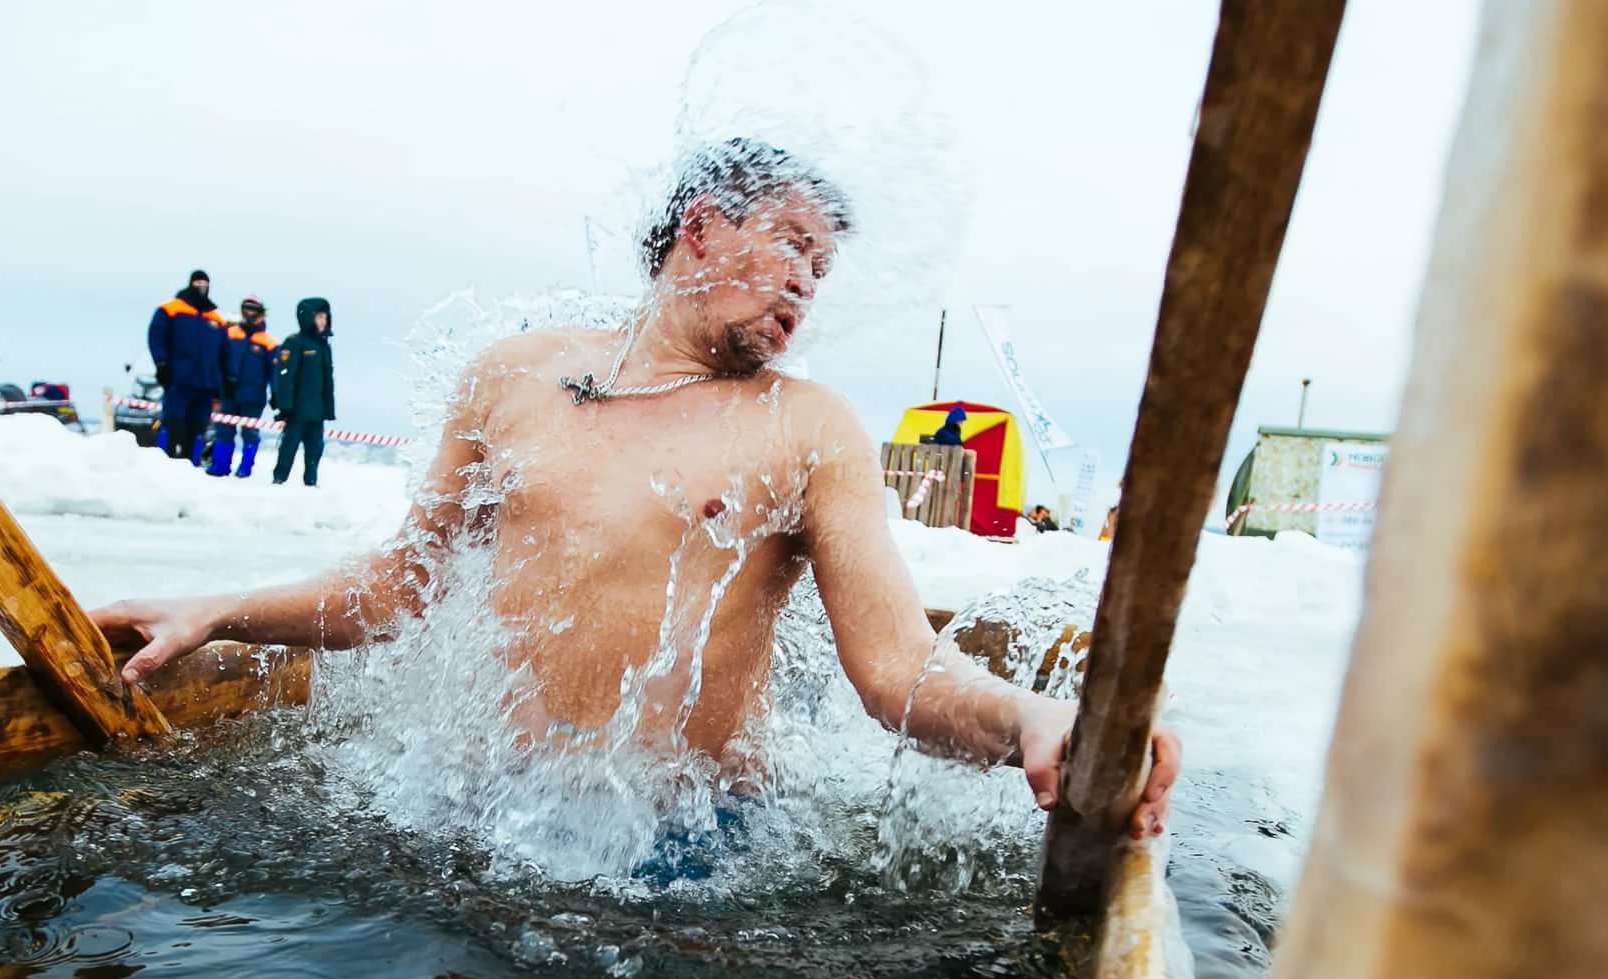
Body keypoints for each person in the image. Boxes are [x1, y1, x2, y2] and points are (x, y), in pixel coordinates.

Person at [94, 139, 1179, 847]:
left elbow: (897, 670)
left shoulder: (808, 428)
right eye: (791, 243)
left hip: (688, 839)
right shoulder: (512, 378)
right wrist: (220, 611)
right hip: (481, 819)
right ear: (701, 227)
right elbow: (401, 586)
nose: (808, 278)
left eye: (823, 266)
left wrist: (1032, 717)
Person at [147, 269, 225, 464]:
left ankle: (192, 464)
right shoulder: (170, 309)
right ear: (190, 284)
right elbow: (156, 336)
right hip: (178, 378)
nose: (201, 288)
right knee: (173, 421)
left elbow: (224, 353)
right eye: (197, 284)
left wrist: (224, 381)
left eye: (205, 284)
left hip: (206, 383)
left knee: (198, 426)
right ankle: (165, 461)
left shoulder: (216, 318)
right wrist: (161, 363)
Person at [268, 297, 334, 487]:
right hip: (297, 410)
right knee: (289, 446)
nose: (323, 321)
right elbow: (285, 377)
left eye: (325, 317)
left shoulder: (323, 346)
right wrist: (285, 407)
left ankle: (311, 483)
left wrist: (328, 409)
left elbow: (327, 381)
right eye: (319, 316)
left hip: (317, 411)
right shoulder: (294, 343)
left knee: (315, 449)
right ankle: (279, 479)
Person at [210, 295, 274, 478]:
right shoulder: (229, 334)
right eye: (246, 307)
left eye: (253, 308)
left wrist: (277, 396)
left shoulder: (268, 342)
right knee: (223, 430)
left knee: (250, 432)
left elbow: (274, 373)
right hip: (228, 393)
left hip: (253, 397)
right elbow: (217, 362)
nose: (249, 312)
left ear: (261, 312)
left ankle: (245, 469)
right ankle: (219, 466)